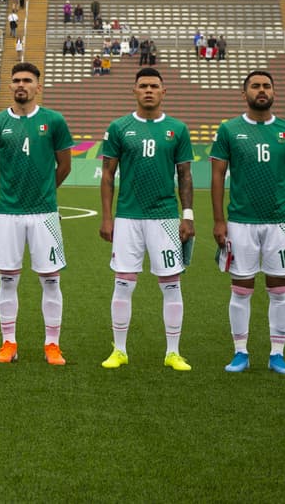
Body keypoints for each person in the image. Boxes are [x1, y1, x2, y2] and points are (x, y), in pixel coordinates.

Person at [210, 70, 285, 375]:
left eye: (267, 85)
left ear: (274, 92)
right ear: (244, 94)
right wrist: (219, 220)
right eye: (255, 86)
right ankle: (240, 351)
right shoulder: (229, 130)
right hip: (241, 222)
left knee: (279, 288)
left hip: (280, 223)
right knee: (240, 288)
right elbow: (217, 176)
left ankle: (277, 354)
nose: (261, 90)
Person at [97, 68, 195, 371]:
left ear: (163, 92)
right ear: (134, 90)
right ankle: (120, 350)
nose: (149, 90)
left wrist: (187, 215)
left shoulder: (177, 129)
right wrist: (107, 217)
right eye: (143, 86)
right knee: (124, 284)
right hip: (128, 217)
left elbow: (185, 176)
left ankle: (173, 352)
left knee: (171, 284)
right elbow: (108, 174)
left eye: (154, 86)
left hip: (165, 217)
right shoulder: (119, 127)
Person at [0, 62, 74, 365]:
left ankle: (52, 345)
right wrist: (11, 190)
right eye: (17, 80)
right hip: (8, 212)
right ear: (10, 86)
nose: (22, 85)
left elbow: (65, 166)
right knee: (7, 280)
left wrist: (45, 191)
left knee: (51, 280)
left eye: (28, 80)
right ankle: (9, 343)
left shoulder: (54, 121)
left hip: (44, 213)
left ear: (38, 86)